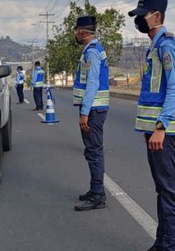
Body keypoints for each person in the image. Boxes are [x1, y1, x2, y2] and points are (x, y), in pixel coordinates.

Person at [128, 0, 175, 251]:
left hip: (165, 131)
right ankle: (162, 243)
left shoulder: (167, 46)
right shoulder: (154, 46)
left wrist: (161, 127)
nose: (139, 20)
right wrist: (149, 129)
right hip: (155, 131)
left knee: (170, 192)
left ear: (157, 16)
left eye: (144, 14)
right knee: (162, 190)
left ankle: (171, 247)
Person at [72, 15, 110, 211]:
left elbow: (93, 83)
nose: (75, 34)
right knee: (92, 150)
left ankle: (97, 195)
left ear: (82, 31)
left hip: (94, 109)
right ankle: (95, 190)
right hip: (95, 108)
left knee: (94, 151)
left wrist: (84, 112)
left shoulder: (92, 53)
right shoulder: (92, 50)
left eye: (76, 30)